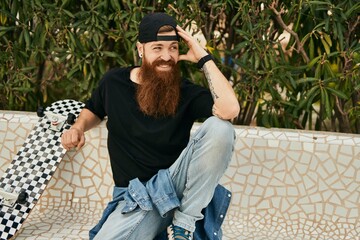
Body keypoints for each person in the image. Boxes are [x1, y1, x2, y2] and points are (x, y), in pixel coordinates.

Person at [61, 12, 240, 240]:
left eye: (173, 48)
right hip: (136, 199)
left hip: (176, 190)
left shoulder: (186, 92)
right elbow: (94, 109)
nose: (166, 56)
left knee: (221, 128)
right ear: (140, 49)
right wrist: (78, 127)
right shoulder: (114, 82)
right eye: (157, 48)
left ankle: (183, 227)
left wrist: (203, 58)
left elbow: (230, 110)